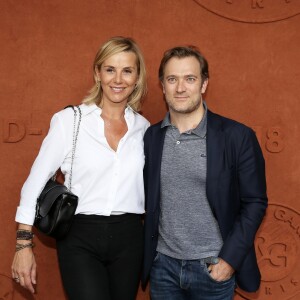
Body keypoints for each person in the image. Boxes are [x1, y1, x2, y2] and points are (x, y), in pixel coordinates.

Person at [11, 36, 150, 300]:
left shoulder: (144, 129)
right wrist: (23, 245)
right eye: (110, 69)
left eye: (127, 70)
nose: (118, 79)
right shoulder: (69, 121)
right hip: (80, 237)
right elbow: (34, 184)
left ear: (137, 77)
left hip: (130, 239)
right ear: (98, 73)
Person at [142, 46, 268, 300]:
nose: (180, 88)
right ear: (162, 86)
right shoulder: (151, 137)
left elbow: (255, 202)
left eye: (189, 78)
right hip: (163, 268)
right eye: (172, 79)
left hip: (213, 267)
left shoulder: (237, 136)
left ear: (203, 84)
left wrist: (228, 261)